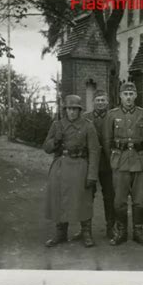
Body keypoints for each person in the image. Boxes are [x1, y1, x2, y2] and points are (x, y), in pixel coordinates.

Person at [43, 95, 100, 248]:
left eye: (75, 109)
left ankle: (86, 232)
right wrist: (56, 140)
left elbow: (94, 151)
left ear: (80, 110)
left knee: (84, 200)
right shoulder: (57, 125)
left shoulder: (88, 126)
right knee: (60, 199)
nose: (72, 112)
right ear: (65, 110)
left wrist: (92, 175)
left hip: (81, 166)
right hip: (61, 167)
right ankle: (61, 233)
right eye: (69, 109)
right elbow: (46, 148)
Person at [104, 82, 143, 246]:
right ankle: (121, 232)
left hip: (139, 160)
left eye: (131, 94)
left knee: (140, 199)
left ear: (136, 95)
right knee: (119, 200)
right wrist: (113, 160)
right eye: (126, 94)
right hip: (120, 161)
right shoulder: (112, 115)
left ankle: (138, 232)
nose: (129, 97)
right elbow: (107, 141)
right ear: (120, 96)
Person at [82, 89, 115, 239]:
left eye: (103, 100)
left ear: (107, 102)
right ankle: (85, 230)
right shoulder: (85, 118)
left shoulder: (113, 117)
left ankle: (111, 228)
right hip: (90, 164)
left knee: (110, 196)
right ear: (93, 102)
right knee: (87, 196)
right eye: (98, 100)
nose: (100, 103)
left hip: (108, 164)